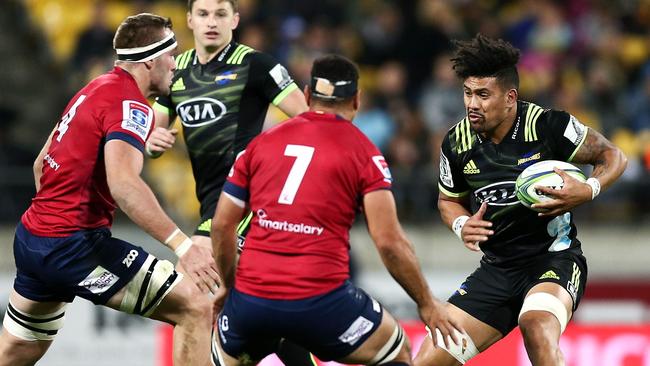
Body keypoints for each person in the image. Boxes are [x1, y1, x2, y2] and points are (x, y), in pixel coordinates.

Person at [209, 54, 462, 366]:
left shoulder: (261, 144)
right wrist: (426, 303)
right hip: (321, 303)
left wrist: (229, 287)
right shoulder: (364, 152)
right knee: (396, 348)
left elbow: (221, 226)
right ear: (356, 100)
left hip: (250, 303)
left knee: (223, 354)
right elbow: (389, 243)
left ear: (305, 96)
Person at [0, 13, 218, 366]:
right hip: (74, 246)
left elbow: (42, 163)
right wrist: (183, 245)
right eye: (171, 55)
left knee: (15, 352)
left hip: (34, 237)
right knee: (195, 304)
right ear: (150, 59)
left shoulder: (94, 88)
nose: (175, 65)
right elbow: (125, 185)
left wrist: (54, 222)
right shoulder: (131, 104)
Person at [413, 34, 627, 366]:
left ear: (510, 97)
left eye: (483, 95)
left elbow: (613, 156)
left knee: (536, 326)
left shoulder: (548, 125)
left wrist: (589, 189)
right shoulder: (456, 142)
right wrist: (460, 223)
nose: (472, 104)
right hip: (497, 269)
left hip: (553, 261)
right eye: (468, 93)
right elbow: (448, 200)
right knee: (427, 359)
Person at [148, 1, 311, 363]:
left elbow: (311, 122)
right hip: (212, 205)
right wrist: (151, 143)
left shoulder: (257, 65)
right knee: (253, 322)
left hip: (250, 204)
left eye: (221, 14)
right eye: (203, 14)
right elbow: (152, 134)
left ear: (234, 21)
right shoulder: (175, 72)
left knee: (186, 292)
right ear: (189, 20)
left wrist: (278, 162)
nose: (211, 22)